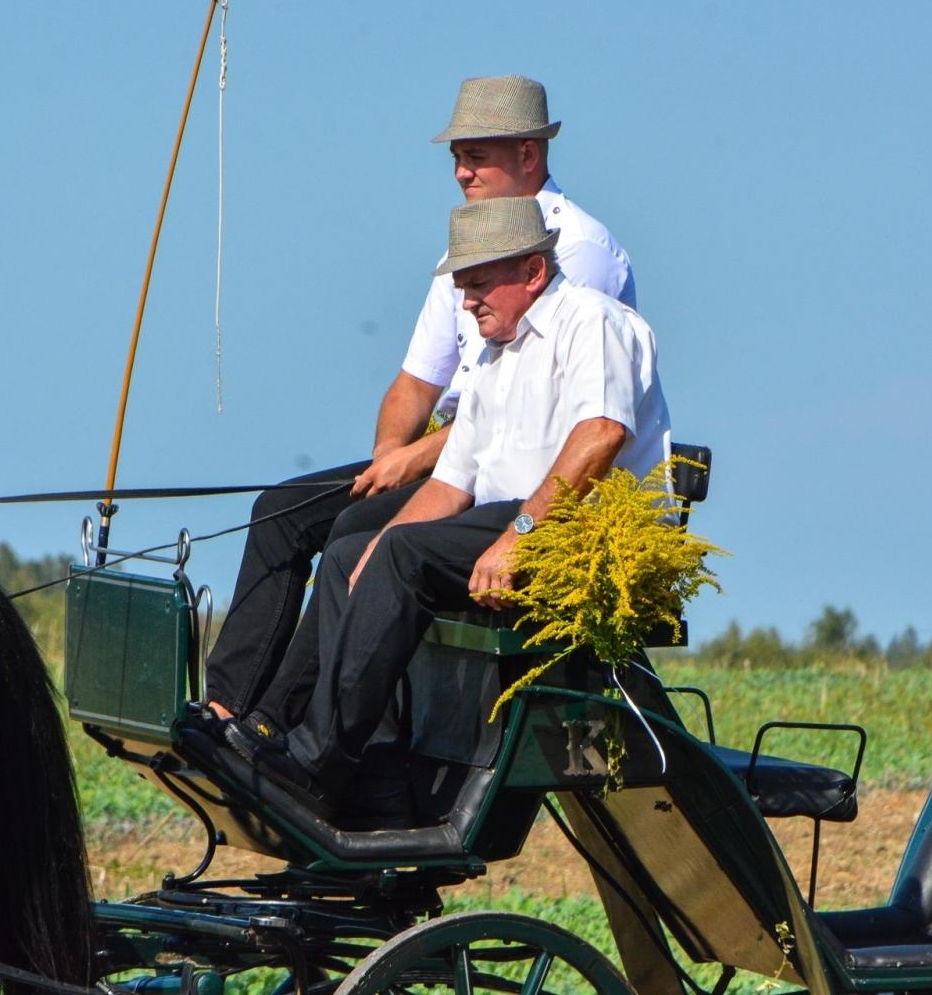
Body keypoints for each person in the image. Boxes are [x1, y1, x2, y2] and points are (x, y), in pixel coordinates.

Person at [203, 75, 636, 724]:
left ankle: (284, 723)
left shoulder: (575, 250)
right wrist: (390, 454)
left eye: (477, 155)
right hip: (450, 457)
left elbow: (533, 411)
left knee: (353, 533)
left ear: (528, 154)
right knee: (281, 511)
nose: (461, 172)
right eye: (456, 157)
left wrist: (417, 460)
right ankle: (226, 706)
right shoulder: (467, 248)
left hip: (514, 472)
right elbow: (414, 383)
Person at [225, 196, 671, 817]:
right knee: (353, 552)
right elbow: (451, 484)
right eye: (462, 286)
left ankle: (316, 764)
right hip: (510, 516)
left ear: (532, 272)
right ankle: (278, 729)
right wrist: (373, 551)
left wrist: (519, 536)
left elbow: (601, 435)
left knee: (403, 556)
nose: (466, 302)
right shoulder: (492, 355)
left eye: (479, 284)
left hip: (580, 529)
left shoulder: (592, 322)